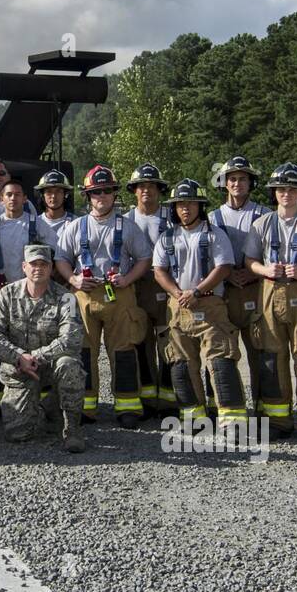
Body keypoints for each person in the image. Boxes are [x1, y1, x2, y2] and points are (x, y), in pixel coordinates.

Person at [54, 165, 152, 427]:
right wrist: (73, 279)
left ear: (114, 194)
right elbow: (62, 259)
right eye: (96, 192)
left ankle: (127, 405)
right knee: (84, 352)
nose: (102, 197)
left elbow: (144, 258)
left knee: (123, 350)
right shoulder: (75, 227)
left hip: (120, 295)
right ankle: (86, 406)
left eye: (107, 191)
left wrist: (128, 279)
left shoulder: (128, 227)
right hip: (83, 296)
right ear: (88, 196)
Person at [244, 162, 297, 446]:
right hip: (269, 291)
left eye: (292, 189)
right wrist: (264, 270)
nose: (287, 194)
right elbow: (250, 261)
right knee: (271, 356)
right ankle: (277, 420)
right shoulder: (262, 224)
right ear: (274, 192)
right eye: (282, 189)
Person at [151, 179, 244, 434]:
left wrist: (197, 291)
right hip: (178, 306)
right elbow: (159, 271)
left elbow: (223, 267)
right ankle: (194, 419)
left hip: (210, 304)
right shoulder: (167, 237)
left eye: (191, 203)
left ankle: (232, 421)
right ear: (174, 208)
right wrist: (178, 293)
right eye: (181, 204)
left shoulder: (214, 234)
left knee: (220, 360)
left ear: (200, 206)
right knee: (181, 363)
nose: (186, 209)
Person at [0, 244, 86, 451]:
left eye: (44, 264)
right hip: (19, 368)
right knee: (18, 434)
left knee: (69, 364)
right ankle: (45, 406)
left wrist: (36, 357)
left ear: (51, 268)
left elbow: (71, 338)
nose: (38, 268)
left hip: (51, 366)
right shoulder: (7, 295)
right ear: (24, 267)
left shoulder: (66, 297)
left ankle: (72, 429)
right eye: (33, 264)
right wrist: (19, 356)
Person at [0, 176, 59, 417]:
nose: (13, 198)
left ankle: (44, 397)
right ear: (1, 198)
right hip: (1, 293)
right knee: (0, 342)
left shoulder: (37, 225)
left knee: (38, 340)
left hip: (34, 292)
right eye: (8, 195)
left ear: (25, 198)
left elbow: (54, 257)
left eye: (17, 194)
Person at [209, 156, 267, 416]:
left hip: (256, 289)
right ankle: (223, 406)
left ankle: (265, 407)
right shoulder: (211, 217)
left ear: (250, 182)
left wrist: (253, 275)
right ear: (224, 183)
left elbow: (272, 254)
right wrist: (227, 275)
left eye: (243, 178)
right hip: (223, 292)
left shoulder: (265, 214)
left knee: (260, 352)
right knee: (221, 352)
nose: (237, 183)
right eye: (232, 178)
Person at [125, 163, 177, 415]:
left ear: (160, 189)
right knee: (140, 343)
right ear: (134, 191)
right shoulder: (125, 220)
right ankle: (146, 399)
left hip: (168, 286)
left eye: (151, 186)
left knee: (170, 342)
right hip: (137, 287)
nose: (146, 190)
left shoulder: (173, 218)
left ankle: (169, 399)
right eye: (141, 186)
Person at [35, 169, 75, 236]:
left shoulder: (76, 223)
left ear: (65, 194)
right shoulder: (34, 224)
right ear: (42, 195)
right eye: (49, 191)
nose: (53, 196)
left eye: (58, 191)